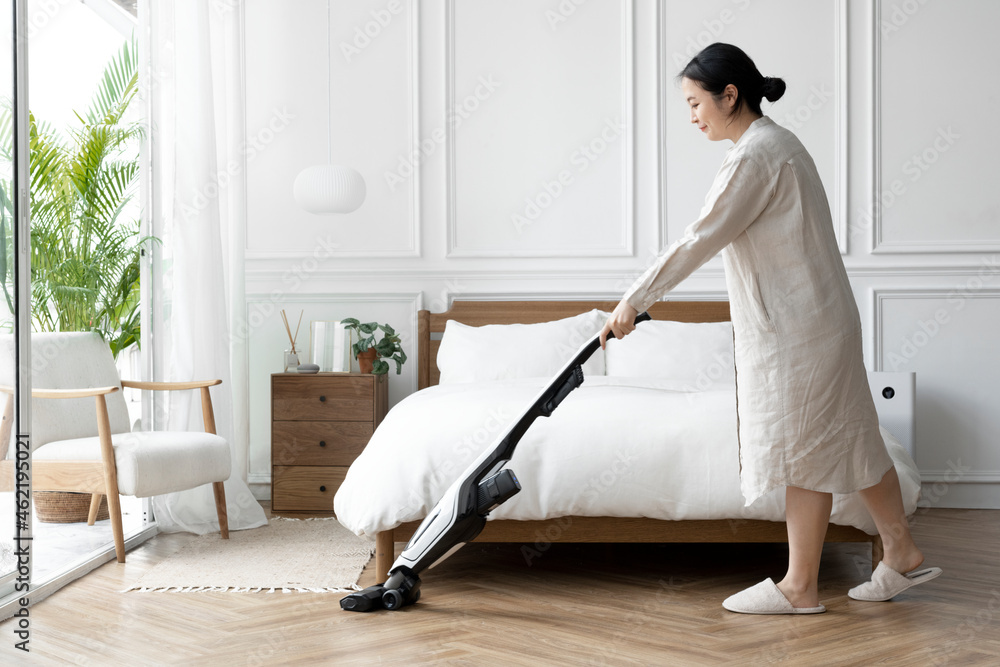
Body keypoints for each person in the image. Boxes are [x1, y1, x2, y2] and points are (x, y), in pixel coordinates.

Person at [599, 42, 941, 614]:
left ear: (729, 95)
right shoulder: (778, 144)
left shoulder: (754, 157)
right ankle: (900, 551)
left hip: (800, 332)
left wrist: (634, 299)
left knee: (808, 447)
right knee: (851, 435)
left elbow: (698, 237)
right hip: (821, 321)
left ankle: (799, 587)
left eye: (694, 102)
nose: (691, 116)